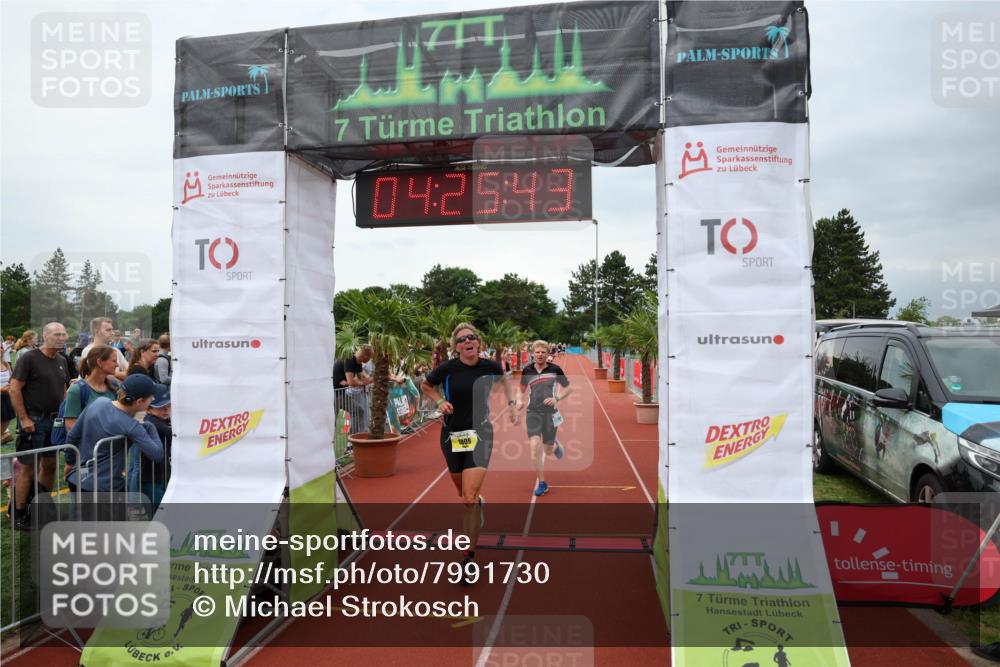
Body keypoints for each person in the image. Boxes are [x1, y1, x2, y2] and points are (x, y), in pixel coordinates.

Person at [422, 323, 519, 578]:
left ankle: (468, 557)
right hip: (452, 435)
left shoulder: (490, 367)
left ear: (478, 342)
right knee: (463, 494)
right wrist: (439, 401)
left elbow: (505, 382)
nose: (468, 341)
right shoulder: (447, 369)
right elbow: (426, 385)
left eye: (472, 337)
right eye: (462, 339)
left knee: (468, 498)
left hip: (481, 433)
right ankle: (478, 503)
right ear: (456, 347)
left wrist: (511, 403)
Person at [7, 322, 69, 530]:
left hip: (55, 422)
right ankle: (18, 514)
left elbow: (63, 390)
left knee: (50, 466)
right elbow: (14, 389)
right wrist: (24, 418)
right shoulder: (29, 358)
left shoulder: (62, 360)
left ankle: (41, 509)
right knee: (28, 468)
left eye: (63, 334)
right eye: (57, 334)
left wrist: (64, 417)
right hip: (34, 421)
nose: (61, 338)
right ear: (45, 335)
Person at [63, 374, 164, 496]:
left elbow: (72, 436)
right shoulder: (131, 426)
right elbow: (157, 454)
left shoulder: (99, 402)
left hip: (78, 479)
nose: (152, 401)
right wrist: (150, 426)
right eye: (151, 398)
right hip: (105, 488)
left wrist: (69, 463)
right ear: (139, 402)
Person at [517, 340, 573, 497]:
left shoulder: (555, 369)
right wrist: (519, 400)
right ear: (533, 354)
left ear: (548, 354)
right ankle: (542, 483)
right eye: (537, 352)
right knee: (534, 447)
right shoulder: (527, 370)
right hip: (533, 413)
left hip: (550, 414)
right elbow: (520, 390)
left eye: (543, 352)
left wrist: (557, 398)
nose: (540, 355)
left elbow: (568, 388)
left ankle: (554, 446)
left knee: (547, 451)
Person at [140, 384, 171, 510]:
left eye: (168, 405)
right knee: (160, 510)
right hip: (151, 478)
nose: (166, 410)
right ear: (148, 409)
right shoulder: (151, 421)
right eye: (160, 407)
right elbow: (170, 433)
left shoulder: (165, 421)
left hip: (162, 475)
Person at [334, 345, 373, 434]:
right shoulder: (350, 359)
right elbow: (351, 382)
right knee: (357, 411)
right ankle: (352, 436)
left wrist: (373, 379)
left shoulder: (358, 362)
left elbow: (363, 378)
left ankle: (352, 436)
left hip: (341, 392)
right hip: (336, 394)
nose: (369, 360)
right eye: (369, 357)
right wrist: (363, 383)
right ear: (365, 356)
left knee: (357, 411)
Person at [1, 354, 14, 444]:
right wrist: (1, 389)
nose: (0, 349)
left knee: (7, 418)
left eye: (1, 348)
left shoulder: (6, 364)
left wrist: (11, 386)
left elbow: (11, 378)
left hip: (7, 396)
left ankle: (4, 435)